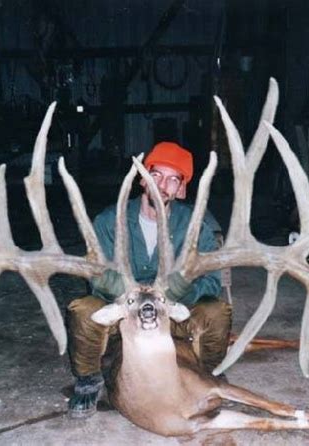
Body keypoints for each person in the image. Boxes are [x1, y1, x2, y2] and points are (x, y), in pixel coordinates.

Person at [66, 141, 232, 417]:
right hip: (124, 314)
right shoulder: (109, 220)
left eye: (173, 179)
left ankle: (208, 374)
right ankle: (88, 381)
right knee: (83, 309)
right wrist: (132, 295)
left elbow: (213, 281)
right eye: (155, 175)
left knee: (216, 311)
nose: (161, 185)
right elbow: (96, 274)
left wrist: (173, 294)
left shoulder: (196, 226)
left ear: (181, 189)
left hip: (173, 313)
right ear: (143, 180)